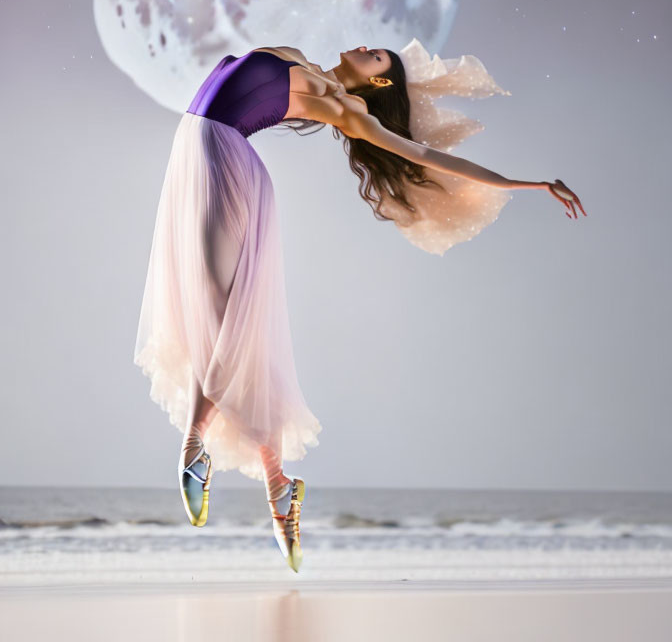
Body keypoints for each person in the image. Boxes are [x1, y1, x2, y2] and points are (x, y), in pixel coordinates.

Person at [133, 42, 585, 573]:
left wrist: (522, 182)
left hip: (226, 164)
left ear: (381, 84)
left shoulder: (346, 109)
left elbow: (423, 156)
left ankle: (195, 449)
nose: (365, 47)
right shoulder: (292, 53)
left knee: (224, 318)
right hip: (193, 156)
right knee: (211, 318)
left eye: (377, 58)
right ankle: (279, 491)